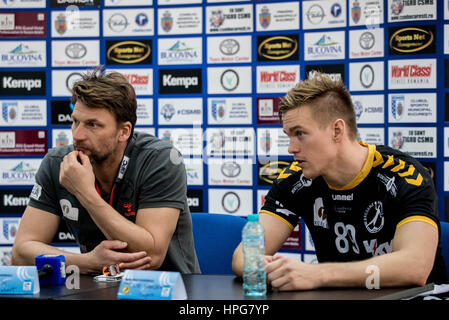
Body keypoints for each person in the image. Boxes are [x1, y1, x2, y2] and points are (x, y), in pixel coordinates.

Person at [232, 72, 448, 290]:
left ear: (337, 130)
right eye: (288, 135)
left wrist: (319, 274)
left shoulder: (404, 174)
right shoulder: (295, 179)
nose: (291, 148)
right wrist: (272, 270)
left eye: (300, 134)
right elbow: (242, 258)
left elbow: (415, 268)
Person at [12, 66, 200, 274]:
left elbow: (151, 256)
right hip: (94, 288)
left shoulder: (160, 160)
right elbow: (21, 252)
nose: (78, 135)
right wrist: (86, 262)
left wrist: (85, 193)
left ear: (124, 131)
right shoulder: (57, 163)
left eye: (93, 125)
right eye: (75, 121)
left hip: (168, 289)